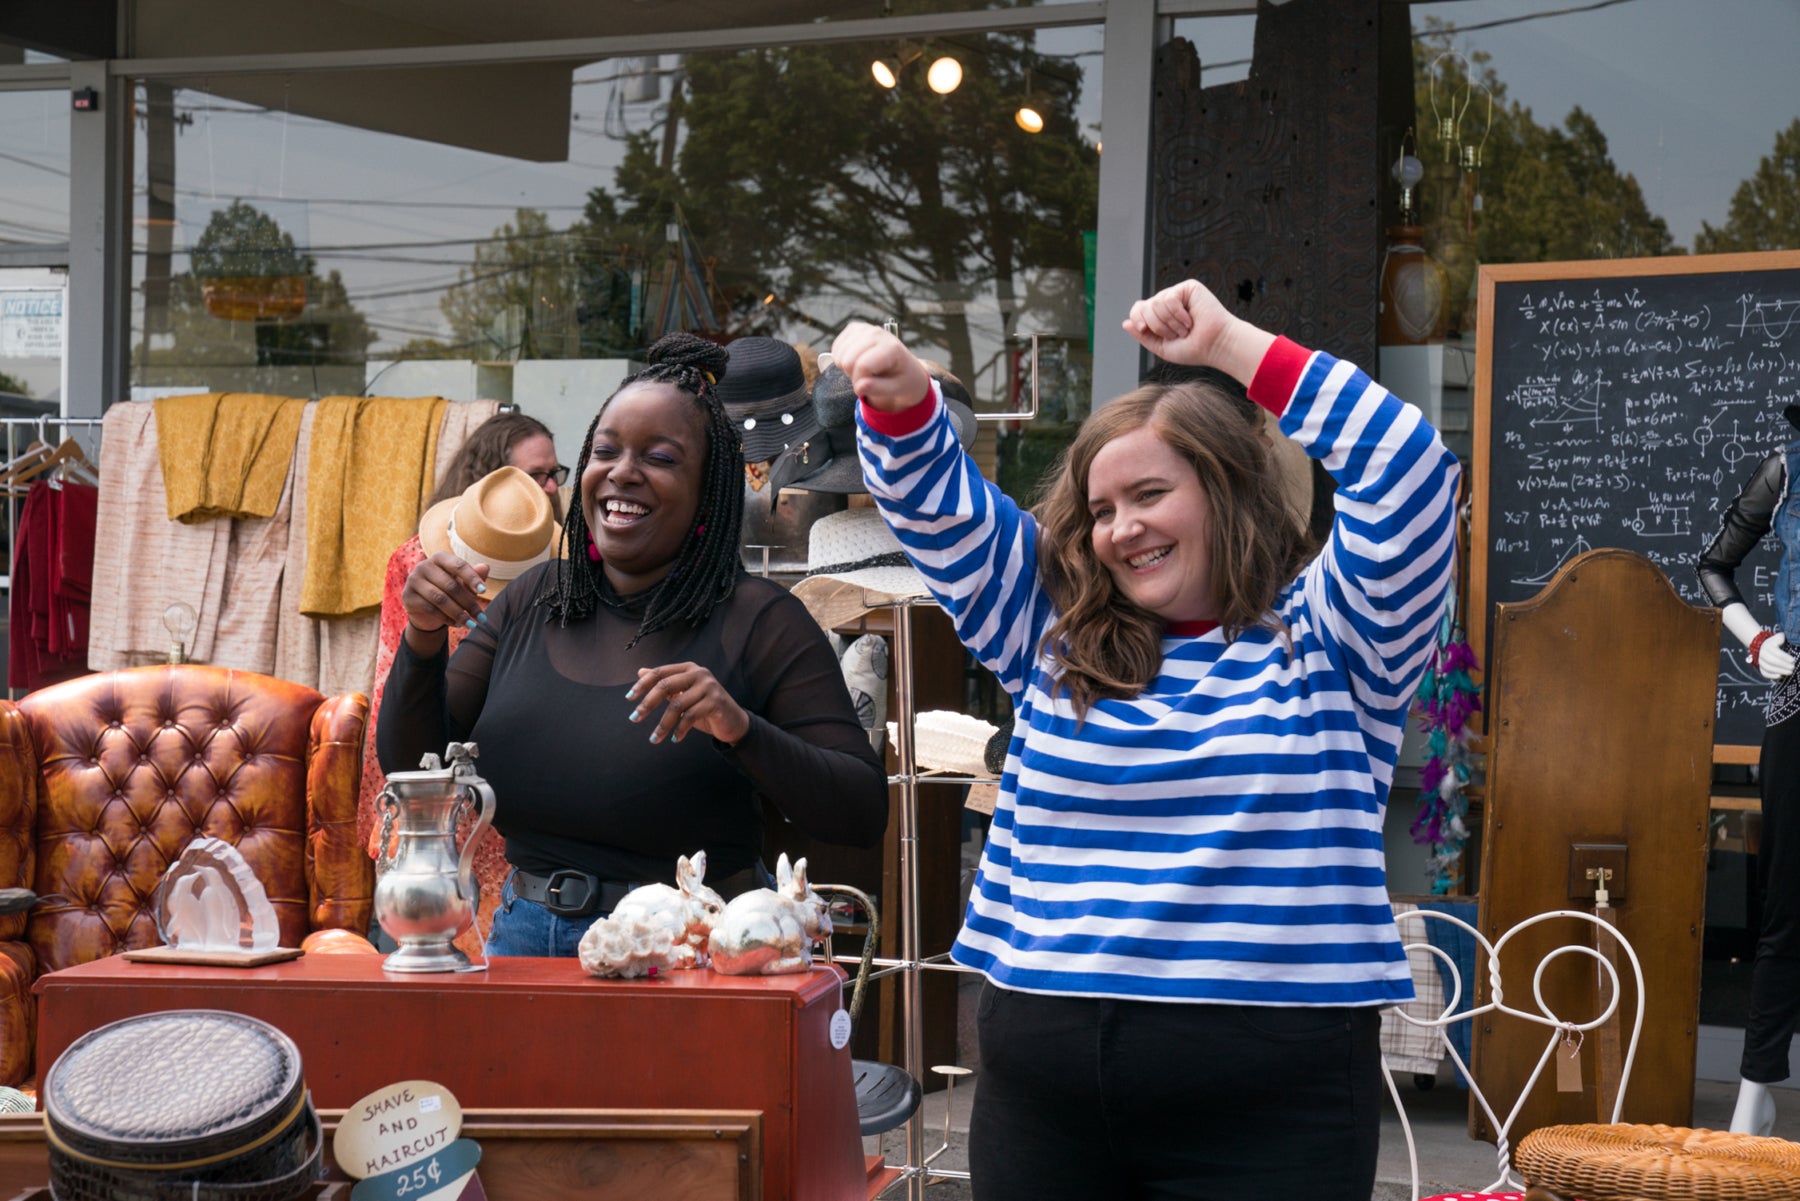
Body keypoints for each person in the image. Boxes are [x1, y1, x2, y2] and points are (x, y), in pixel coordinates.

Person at [833, 278, 1460, 1201]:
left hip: (1270, 1109)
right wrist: (902, 404)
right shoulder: (1052, 632)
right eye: (1101, 508)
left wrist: (1236, 347)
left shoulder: (1338, 635)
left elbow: (1409, 467)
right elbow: (942, 510)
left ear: (1227, 490)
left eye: (1150, 493)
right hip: (1044, 1096)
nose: (1122, 529)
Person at [378, 333, 888, 958]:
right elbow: (413, 762)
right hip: (527, 941)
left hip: (686, 953)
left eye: (661, 458)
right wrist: (423, 638)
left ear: (710, 491)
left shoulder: (762, 622)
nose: (622, 471)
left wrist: (740, 729)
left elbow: (859, 814)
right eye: (604, 450)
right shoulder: (533, 599)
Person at [361, 412, 568, 956]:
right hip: (440, 765)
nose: (549, 489)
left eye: (554, 474)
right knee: (438, 933)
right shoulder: (417, 561)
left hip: (527, 776)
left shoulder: (564, 559)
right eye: (535, 476)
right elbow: (394, 670)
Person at [1696, 422, 1800, 1137]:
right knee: (1787, 905)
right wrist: (1757, 639)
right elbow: (1714, 564)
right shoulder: (1788, 470)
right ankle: (1754, 1094)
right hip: (1799, 701)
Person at [428, 412, 565, 506]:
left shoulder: (560, 543)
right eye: (535, 475)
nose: (553, 487)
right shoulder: (430, 546)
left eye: (554, 472)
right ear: (490, 481)